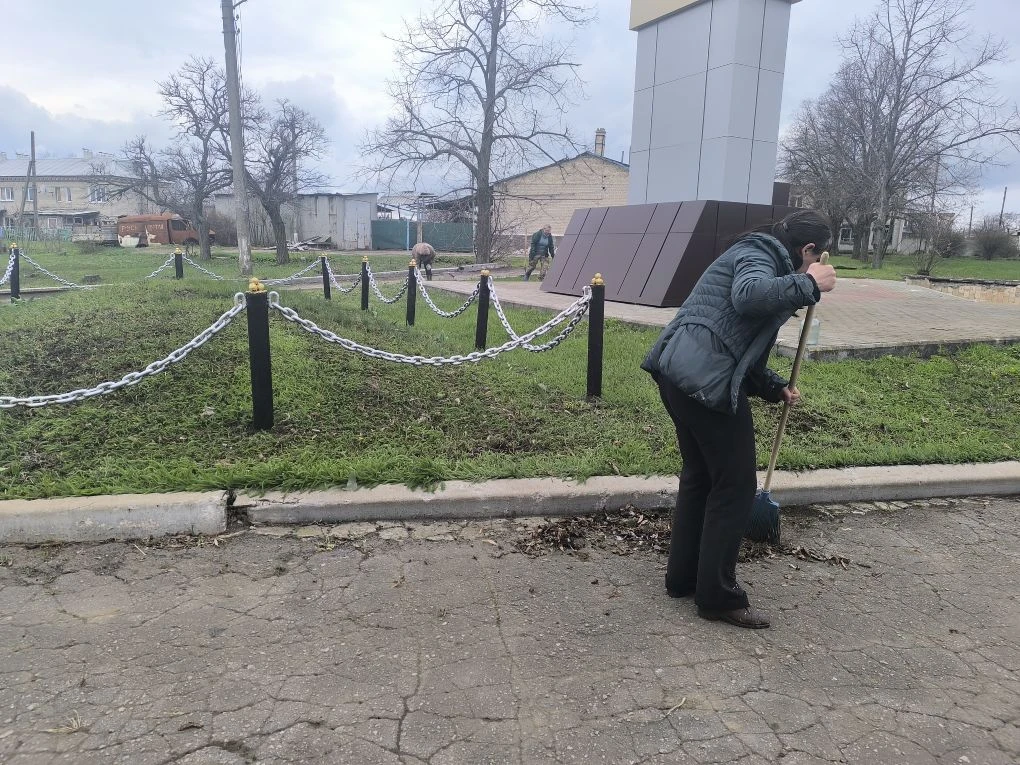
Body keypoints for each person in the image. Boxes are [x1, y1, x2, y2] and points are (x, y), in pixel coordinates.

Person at [641, 209, 837, 629]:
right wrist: (808, 284)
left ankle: (684, 579)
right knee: (735, 486)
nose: (814, 267)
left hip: (682, 373)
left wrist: (773, 386)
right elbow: (748, 297)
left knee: (701, 478)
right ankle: (717, 596)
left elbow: (738, 338)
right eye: (817, 259)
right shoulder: (760, 252)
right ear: (807, 250)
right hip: (701, 381)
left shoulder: (762, 256)